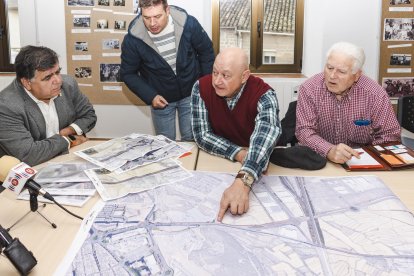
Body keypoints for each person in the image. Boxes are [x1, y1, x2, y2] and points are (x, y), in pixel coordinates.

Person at [191, 48, 281, 222]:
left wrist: (243, 181)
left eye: (226, 75)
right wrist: (238, 153)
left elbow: (266, 133)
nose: (217, 81)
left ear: (244, 76)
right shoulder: (200, 87)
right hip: (219, 161)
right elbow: (202, 135)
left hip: (256, 162)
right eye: (215, 72)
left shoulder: (264, 94)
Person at [121, 0, 215, 141]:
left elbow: (206, 53)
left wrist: (203, 85)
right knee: (164, 143)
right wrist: (151, 96)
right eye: (146, 18)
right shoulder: (133, 39)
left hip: (191, 93)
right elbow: (128, 73)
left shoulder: (188, 24)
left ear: (167, 10)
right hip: (161, 99)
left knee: (192, 139)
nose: (152, 23)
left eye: (157, 16)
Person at [296, 42, 401, 164]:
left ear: (356, 75)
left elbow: (390, 135)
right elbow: (304, 131)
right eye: (329, 68)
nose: (332, 76)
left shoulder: (375, 94)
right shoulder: (309, 89)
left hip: (360, 160)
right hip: (318, 158)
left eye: (341, 71)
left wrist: (366, 156)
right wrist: (329, 150)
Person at [0, 45, 97, 166]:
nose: (58, 80)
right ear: (27, 83)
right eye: (48, 77)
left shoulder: (68, 85)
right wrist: (68, 140)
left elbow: (89, 116)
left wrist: (68, 131)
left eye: (57, 72)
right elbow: (28, 154)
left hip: (67, 159)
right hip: (30, 170)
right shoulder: (6, 106)